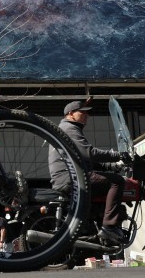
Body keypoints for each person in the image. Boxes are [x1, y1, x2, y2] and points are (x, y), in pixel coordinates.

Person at [48, 100, 128, 244]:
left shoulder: (67, 128)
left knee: (110, 178)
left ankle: (96, 222)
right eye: (82, 112)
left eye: (88, 112)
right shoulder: (69, 128)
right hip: (70, 178)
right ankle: (109, 227)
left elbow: (90, 160)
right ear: (70, 114)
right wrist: (118, 154)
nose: (87, 115)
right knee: (117, 181)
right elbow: (88, 152)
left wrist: (114, 166)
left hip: (69, 177)